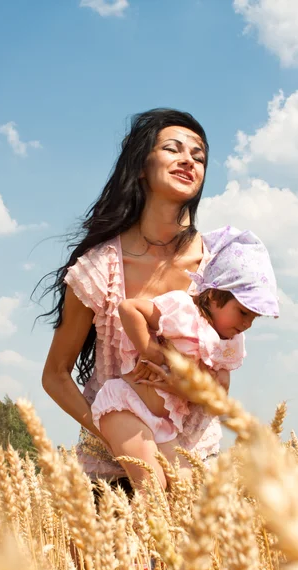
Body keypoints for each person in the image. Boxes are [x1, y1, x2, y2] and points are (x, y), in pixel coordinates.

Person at [41, 108, 228, 490]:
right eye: (173, 149)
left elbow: (222, 379)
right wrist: (113, 430)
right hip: (113, 474)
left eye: (199, 156)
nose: (188, 160)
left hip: (195, 467)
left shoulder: (219, 266)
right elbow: (55, 375)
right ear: (141, 167)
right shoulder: (98, 270)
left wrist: (184, 388)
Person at [90, 226, 279, 488]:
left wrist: (189, 387)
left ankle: (141, 530)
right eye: (243, 312)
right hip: (126, 406)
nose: (247, 324)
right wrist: (149, 349)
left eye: (254, 317)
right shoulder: (183, 312)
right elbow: (129, 307)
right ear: (213, 295)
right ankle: (131, 528)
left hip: (166, 426)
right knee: (151, 484)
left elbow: (215, 396)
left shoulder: (228, 346)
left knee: (185, 487)